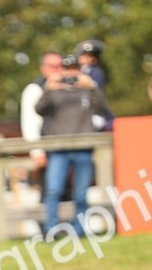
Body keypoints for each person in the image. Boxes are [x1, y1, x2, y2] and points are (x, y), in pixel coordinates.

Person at [34, 55, 112, 238]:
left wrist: (93, 86)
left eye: (74, 69)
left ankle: (79, 230)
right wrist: (48, 87)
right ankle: (51, 230)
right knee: (53, 191)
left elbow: (105, 110)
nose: (70, 73)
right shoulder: (54, 91)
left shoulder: (87, 91)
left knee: (80, 193)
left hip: (83, 149)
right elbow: (38, 109)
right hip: (59, 150)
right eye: (67, 69)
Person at [20, 51, 64, 174]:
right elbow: (29, 122)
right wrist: (37, 151)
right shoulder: (34, 89)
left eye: (59, 65)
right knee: (52, 190)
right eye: (51, 66)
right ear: (43, 68)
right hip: (48, 150)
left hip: (70, 149)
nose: (56, 69)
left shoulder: (70, 86)